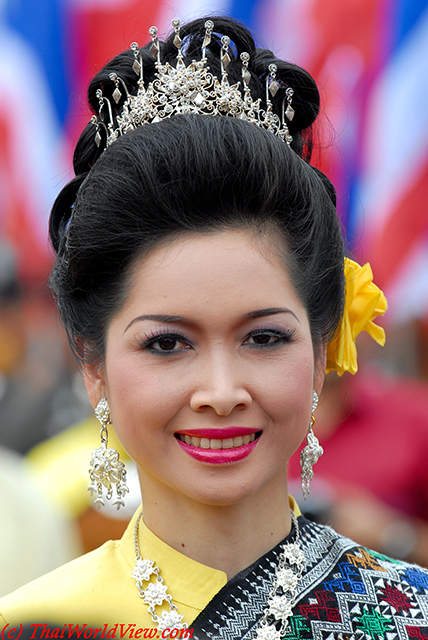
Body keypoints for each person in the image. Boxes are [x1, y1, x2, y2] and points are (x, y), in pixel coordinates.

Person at [1, 15, 426, 639]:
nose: (221, 392)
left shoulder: (410, 617)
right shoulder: (40, 627)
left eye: (264, 337)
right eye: (167, 343)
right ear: (92, 366)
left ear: (320, 351)